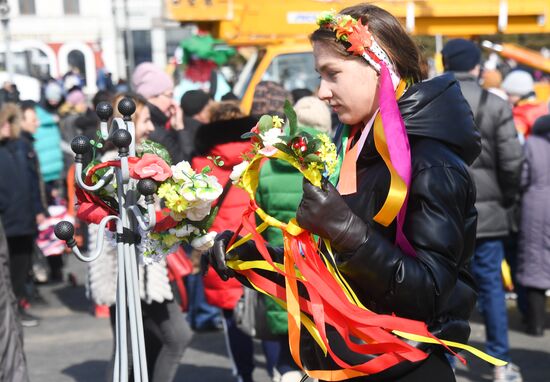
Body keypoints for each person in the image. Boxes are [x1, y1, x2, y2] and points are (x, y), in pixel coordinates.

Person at [204, 4, 483, 381]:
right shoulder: (351, 142)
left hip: (402, 368)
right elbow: (339, 279)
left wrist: (346, 230)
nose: (321, 92)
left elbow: (431, 295)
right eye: (320, 76)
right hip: (345, 360)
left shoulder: (432, 161)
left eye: (332, 74)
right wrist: (254, 258)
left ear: (379, 67)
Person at [87, 92, 192, 382]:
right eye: (144, 120)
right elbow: (116, 226)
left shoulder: (141, 162)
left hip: (145, 270)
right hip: (131, 271)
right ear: (125, 127)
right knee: (137, 349)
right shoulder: (114, 168)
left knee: (140, 347)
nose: (150, 128)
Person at [442, 38, 524, 382]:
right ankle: (500, 362)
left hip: (444, 211)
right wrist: (507, 198)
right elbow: (511, 162)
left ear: (446, 64)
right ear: (477, 67)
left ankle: (445, 358)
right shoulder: (495, 104)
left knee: (444, 287)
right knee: (491, 286)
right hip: (488, 213)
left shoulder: (433, 102)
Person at [254, 96, 332, 382]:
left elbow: (257, 218)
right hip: (320, 273)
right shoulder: (329, 160)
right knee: (320, 352)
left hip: (278, 266)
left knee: (287, 351)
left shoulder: (267, 162)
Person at [192, 101, 259, 382]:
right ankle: (283, 372)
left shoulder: (199, 165)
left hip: (220, 252)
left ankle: (243, 375)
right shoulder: (260, 158)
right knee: (266, 312)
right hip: (257, 246)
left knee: (232, 318)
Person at [0, 103, 43, 327]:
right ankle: (11, 310)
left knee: (21, 265)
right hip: (6, 220)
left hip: (23, 217)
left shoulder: (21, 145)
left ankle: (18, 306)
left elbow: (33, 182)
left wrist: (38, 209)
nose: (7, 127)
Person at [516, 114, 550, 337]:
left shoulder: (532, 145)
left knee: (535, 264)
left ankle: (535, 324)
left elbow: (522, 177)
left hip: (536, 207)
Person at [131, 62, 185, 164]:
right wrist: (180, 129)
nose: (173, 102)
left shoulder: (157, 123)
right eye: (170, 95)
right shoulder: (157, 133)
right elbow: (184, 168)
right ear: (153, 96)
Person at [501, 70, 549, 140]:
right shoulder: (542, 107)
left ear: (518, 94)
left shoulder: (520, 113)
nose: (507, 98)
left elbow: (514, 141)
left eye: (509, 94)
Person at [179, 89, 213, 162]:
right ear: (199, 111)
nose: (212, 113)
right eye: (209, 108)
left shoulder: (185, 129)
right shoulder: (203, 133)